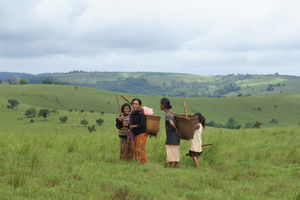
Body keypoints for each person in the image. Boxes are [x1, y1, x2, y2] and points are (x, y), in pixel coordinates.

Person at [160, 98, 180, 168]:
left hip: (171, 137)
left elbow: (171, 123)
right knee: (175, 153)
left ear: (163, 105)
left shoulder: (168, 114)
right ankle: (176, 169)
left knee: (171, 154)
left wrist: (176, 129)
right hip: (176, 137)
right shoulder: (171, 113)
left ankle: (171, 169)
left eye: (160, 104)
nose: (160, 105)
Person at [129, 98, 147, 164]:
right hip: (135, 133)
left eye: (136, 104)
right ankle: (138, 162)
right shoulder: (133, 113)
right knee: (136, 148)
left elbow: (142, 124)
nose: (134, 105)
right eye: (133, 104)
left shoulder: (141, 113)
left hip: (141, 132)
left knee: (140, 148)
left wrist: (133, 126)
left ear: (139, 105)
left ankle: (143, 162)